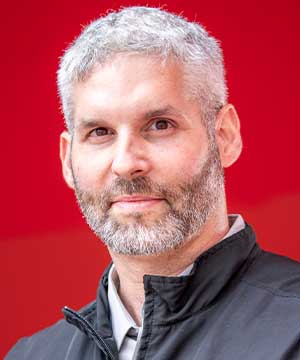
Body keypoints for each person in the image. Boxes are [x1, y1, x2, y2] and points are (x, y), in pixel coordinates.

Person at [6, 6, 300, 360]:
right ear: (67, 158)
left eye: (160, 124)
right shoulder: (31, 356)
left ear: (224, 136)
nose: (127, 163)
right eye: (100, 132)